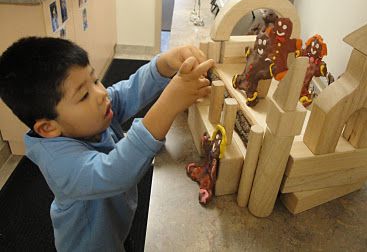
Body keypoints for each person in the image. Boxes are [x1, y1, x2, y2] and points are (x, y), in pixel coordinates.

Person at [0, 37, 214, 251]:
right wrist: (169, 103)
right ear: (48, 128)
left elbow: (126, 92)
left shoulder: (89, 115)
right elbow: (115, 172)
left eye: (95, 80)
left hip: (114, 224)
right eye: (84, 95)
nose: (102, 94)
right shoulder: (60, 166)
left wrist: (164, 64)